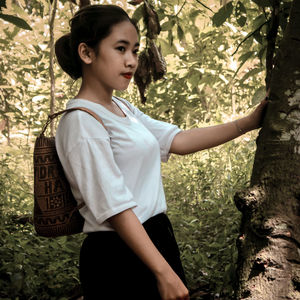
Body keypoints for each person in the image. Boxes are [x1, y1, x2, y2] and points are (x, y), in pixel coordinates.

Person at [54, 4, 268, 300]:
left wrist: (249, 123)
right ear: (87, 53)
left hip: (154, 239)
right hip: (119, 254)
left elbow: (177, 140)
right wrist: (163, 272)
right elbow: (114, 208)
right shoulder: (81, 122)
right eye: (120, 49)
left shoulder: (123, 109)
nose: (131, 61)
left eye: (135, 50)